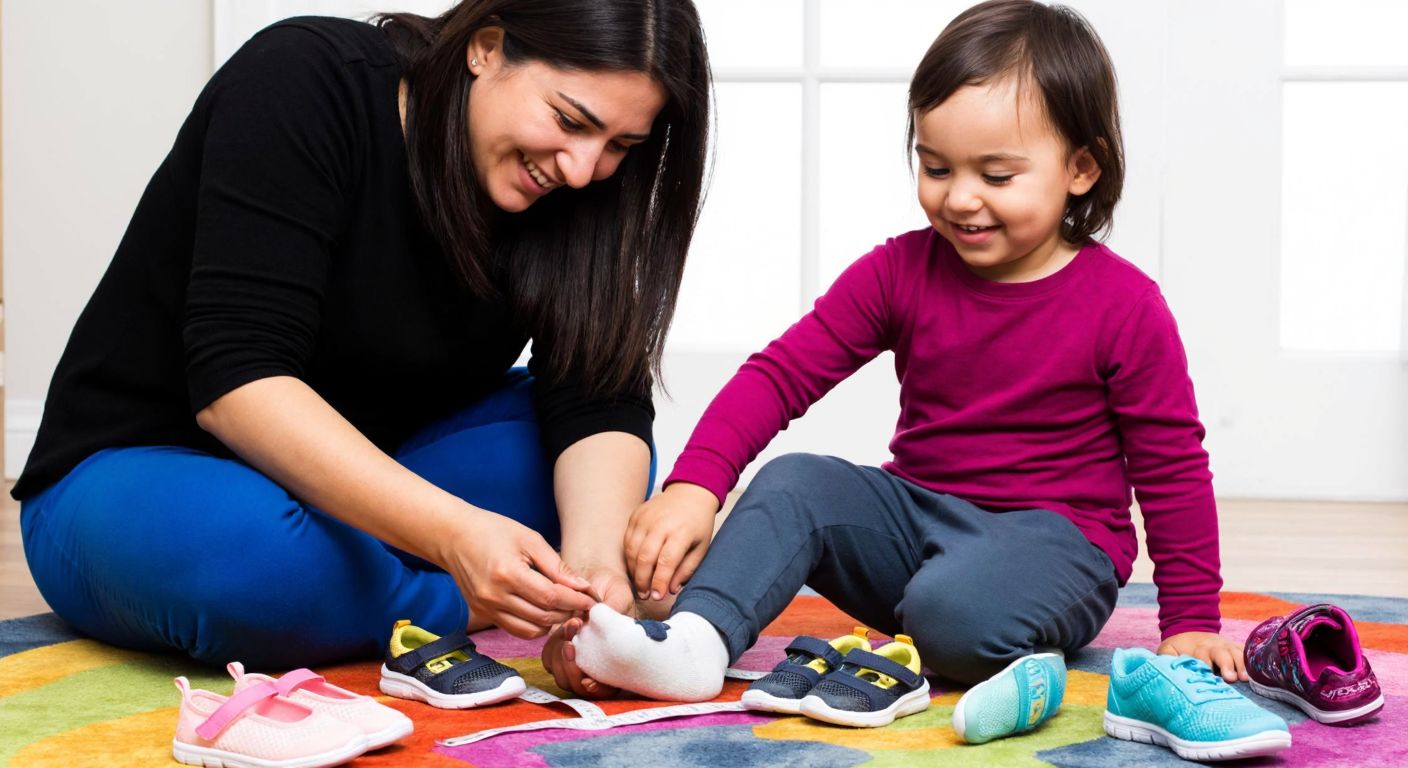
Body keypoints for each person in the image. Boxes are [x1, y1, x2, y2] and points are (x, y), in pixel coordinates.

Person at [572, 0, 1247, 715]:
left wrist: (1193, 621)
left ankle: (985, 637)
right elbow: (781, 375)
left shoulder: (1125, 305)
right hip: (917, 517)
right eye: (935, 166)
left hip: (1059, 541)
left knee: (949, 612)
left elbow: (1171, 465)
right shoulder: (899, 271)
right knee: (796, 482)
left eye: (996, 175)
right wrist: (695, 485)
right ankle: (696, 643)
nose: (960, 199)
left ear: (1080, 168)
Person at [14, 0, 710, 669]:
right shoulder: (305, 78)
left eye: (622, 144)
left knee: (594, 469)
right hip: (140, 469)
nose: (583, 169)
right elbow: (236, 380)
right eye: (568, 119)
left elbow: (596, 391)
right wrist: (455, 537)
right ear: (486, 47)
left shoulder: (581, 188)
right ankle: (446, 605)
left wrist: (591, 579)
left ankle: (368, 591)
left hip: (373, 478)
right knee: (251, 556)